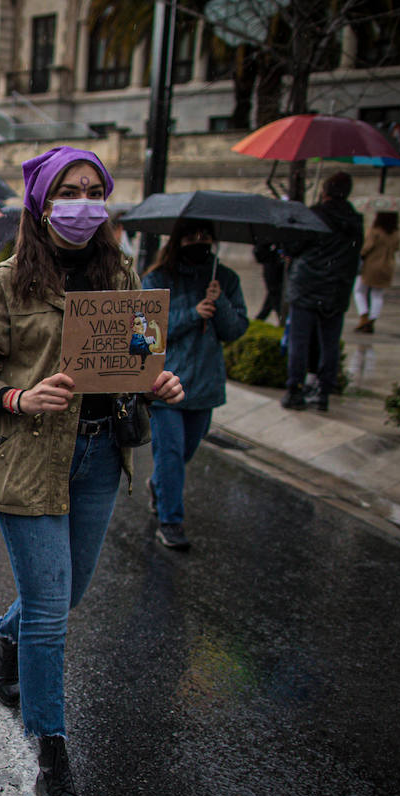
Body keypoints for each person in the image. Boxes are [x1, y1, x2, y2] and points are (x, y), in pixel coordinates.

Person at [0, 146, 183, 796]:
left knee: (68, 592)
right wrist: (21, 396)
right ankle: (52, 753)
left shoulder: (123, 275)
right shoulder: (3, 285)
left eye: (93, 190)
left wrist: (159, 381)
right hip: (28, 461)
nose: (83, 203)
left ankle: (4, 632)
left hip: (100, 458)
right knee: (54, 616)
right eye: (68, 191)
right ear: (41, 204)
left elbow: (139, 361)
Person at [140, 217, 248, 551]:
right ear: (178, 241)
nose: (198, 242)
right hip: (165, 385)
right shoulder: (158, 279)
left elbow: (235, 330)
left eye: (205, 236)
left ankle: (159, 485)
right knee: (170, 454)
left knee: (185, 452)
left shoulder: (225, 279)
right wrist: (193, 312)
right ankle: (171, 521)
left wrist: (220, 305)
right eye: (191, 237)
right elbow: (144, 334)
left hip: (205, 386)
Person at [280, 171, 362, 412]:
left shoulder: (315, 215)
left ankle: (295, 388)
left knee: (300, 341)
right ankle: (323, 390)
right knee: (330, 342)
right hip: (336, 289)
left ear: (325, 191)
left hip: (307, 286)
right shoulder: (354, 221)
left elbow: (293, 247)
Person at [354, 211, 400, 334]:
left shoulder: (375, 231)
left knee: (359, 291)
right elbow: (396, 247)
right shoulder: (395, 233)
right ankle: (372, 319)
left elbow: (366, 248)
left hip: (371, 266)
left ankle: (364, 316)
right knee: (377, 294)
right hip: (387, 266)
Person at [252, 240, 285, 323]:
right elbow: (259, 252)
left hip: (279, 269)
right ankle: (281, 321)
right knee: (275, 294)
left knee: (274, 296)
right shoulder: (269, 237)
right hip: (273, 268)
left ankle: (260, 319)